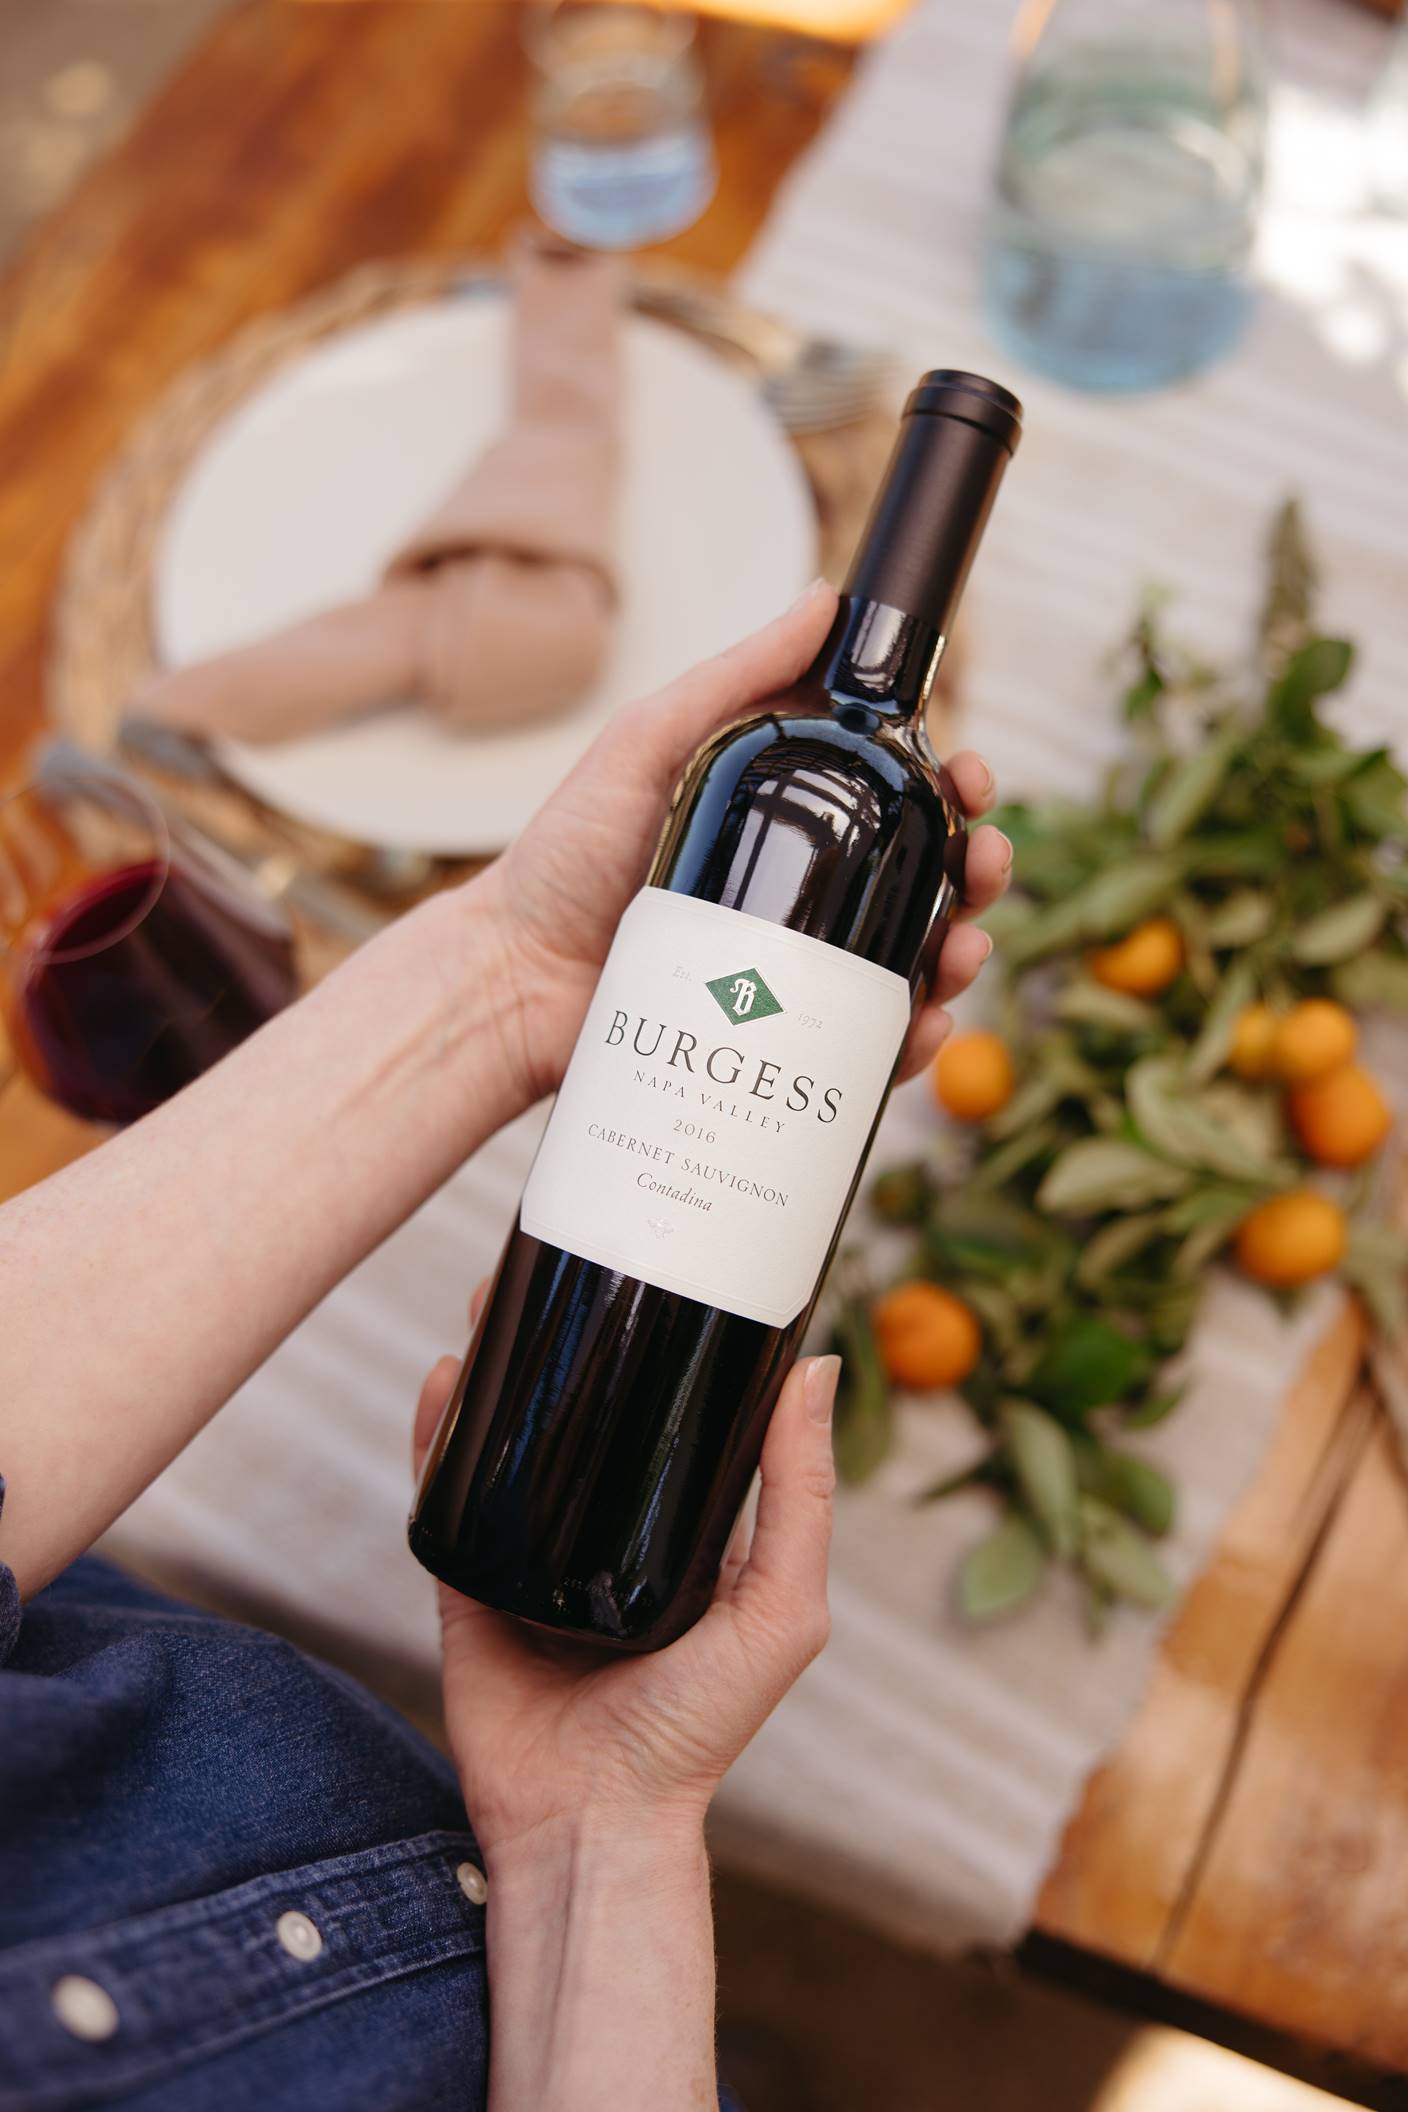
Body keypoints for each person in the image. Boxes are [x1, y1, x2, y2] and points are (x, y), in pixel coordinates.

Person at [0, 582, 1011, 2111]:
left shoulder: (854, 784)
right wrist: (603, 1845)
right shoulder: (791, 771)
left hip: (531, 1925)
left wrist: (509, 972)